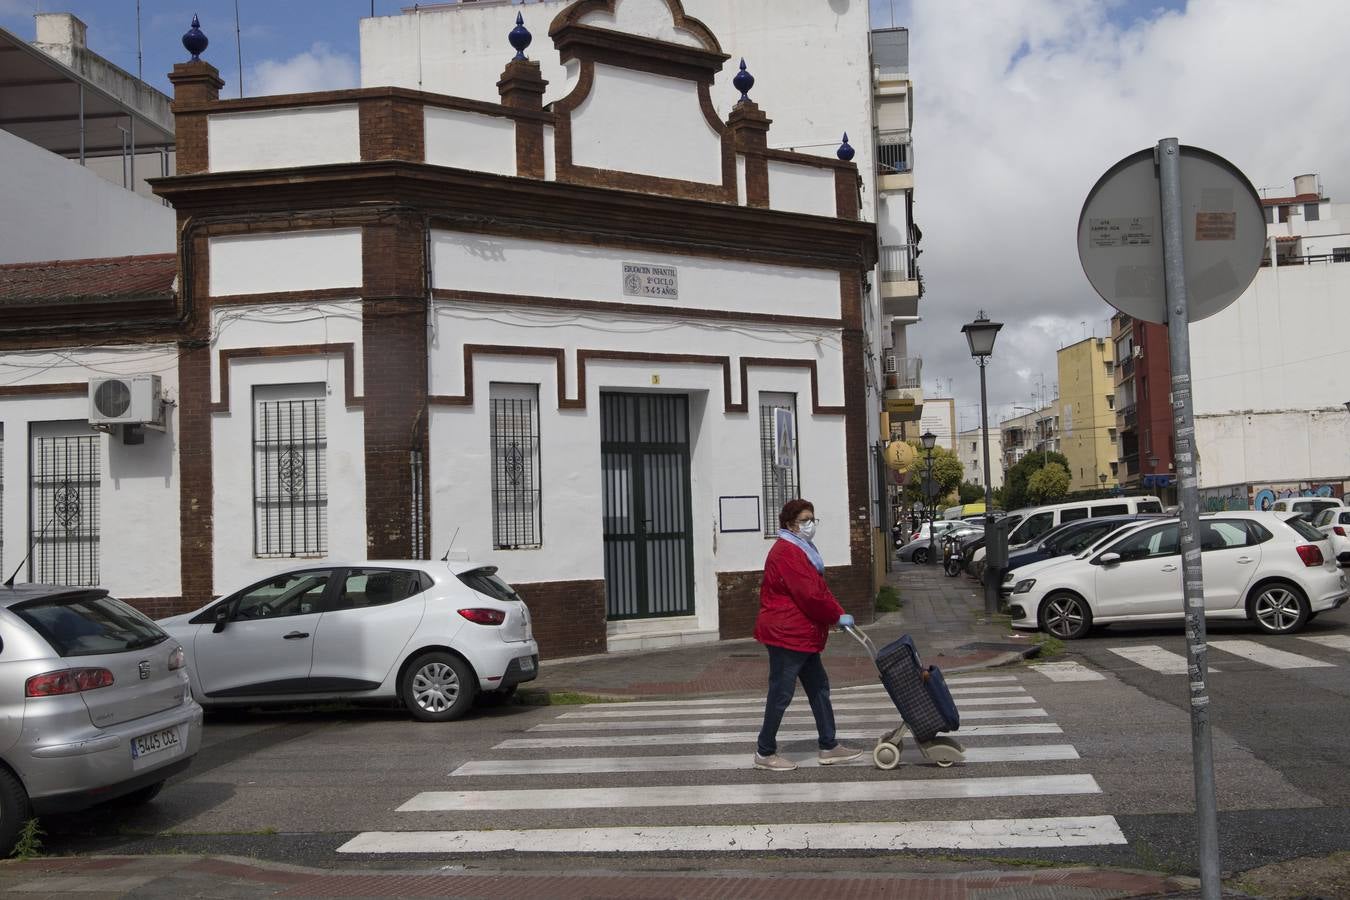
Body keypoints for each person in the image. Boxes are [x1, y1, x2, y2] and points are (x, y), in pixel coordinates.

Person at [751, 498, 862, 772]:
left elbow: (818, 590)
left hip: (802, 634)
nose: (810, 525)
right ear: (790, 524)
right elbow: (809, 595)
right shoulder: (787, 552)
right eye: (804, 520)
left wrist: (838, 613)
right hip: (787, 633)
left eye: (812, 519)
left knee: (819, 688)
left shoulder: (802, 548)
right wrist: (835, 616)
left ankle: (829, 745)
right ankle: (764, 752)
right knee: (781, 692)